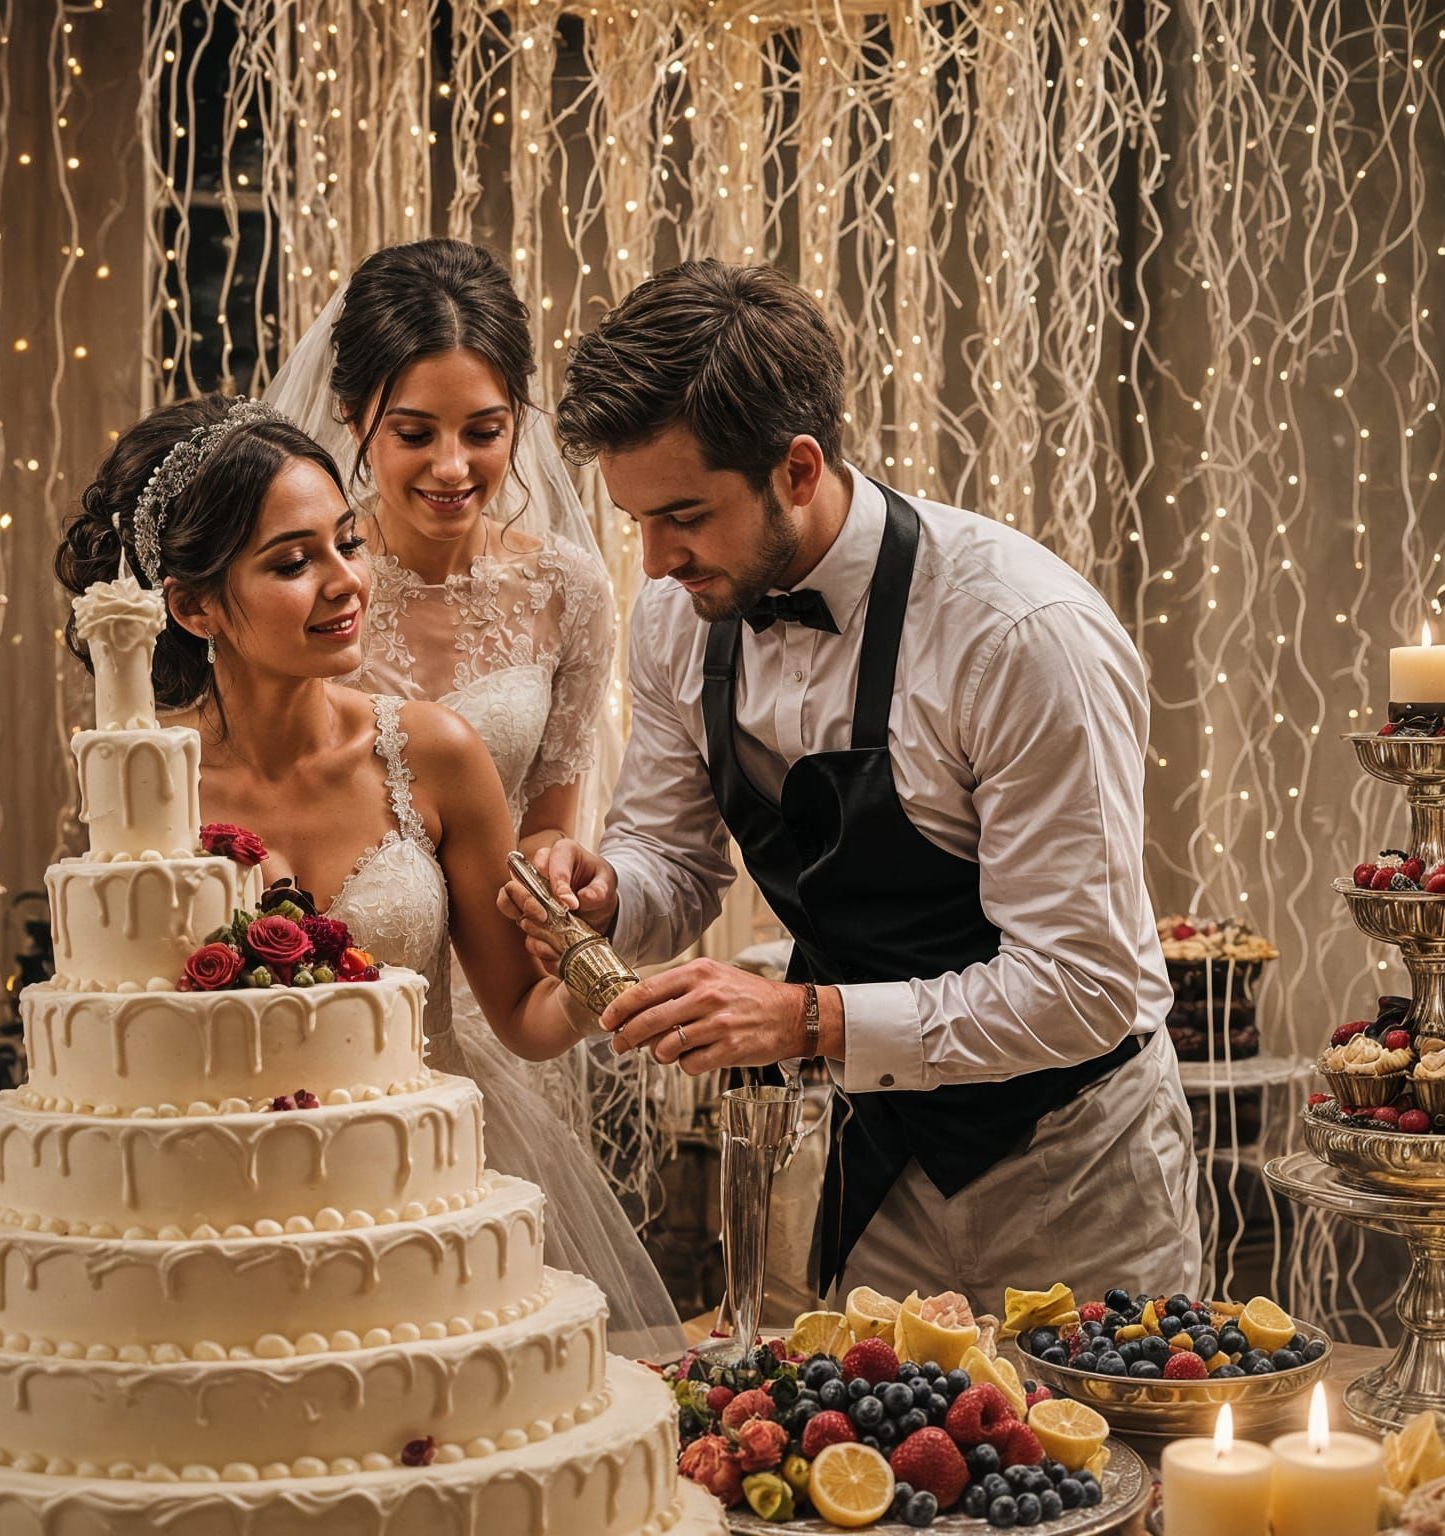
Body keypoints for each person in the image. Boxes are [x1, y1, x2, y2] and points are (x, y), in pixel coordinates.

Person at [503, 259, 1199, 1314]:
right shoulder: (674, 618)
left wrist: (809, 1021)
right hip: (877, 1174)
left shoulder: (1019, 635)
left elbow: (1084, 988)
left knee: (1104, 1471)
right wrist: (608, 893)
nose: (651, 563)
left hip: (1077, 1167)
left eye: (683, 515)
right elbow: (673, 860)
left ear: (796, 467)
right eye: (635, 520)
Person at [56, 394, 682, 1358]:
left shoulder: (435, 753)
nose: (347, 581)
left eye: (344, 543)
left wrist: (603, 976)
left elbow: (524, 1018)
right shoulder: (139, 780)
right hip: (206, 1233)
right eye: (292, 562)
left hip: (422, 1208)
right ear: (191, 605)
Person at [264, 242, 662, 1230]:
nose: (453, 467)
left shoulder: (566, 588)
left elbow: (544, 825)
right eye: (414, 433)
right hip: (345, 987)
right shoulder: (305, 585)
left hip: (500, 994)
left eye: (484, 431)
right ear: (354, 418)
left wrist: (565, 883)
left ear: (518, 422)